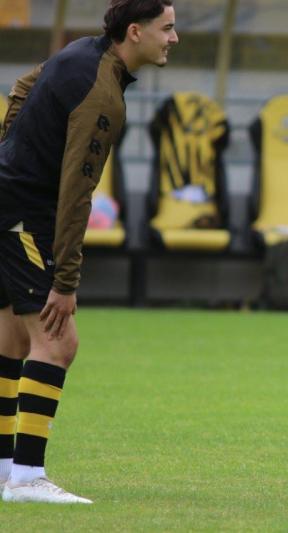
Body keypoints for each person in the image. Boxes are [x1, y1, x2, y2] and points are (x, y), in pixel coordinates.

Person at [0, 0, 178, 504]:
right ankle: (27, 479)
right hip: (25, 214)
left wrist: (9, 153)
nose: (174, 38)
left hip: (8, 201)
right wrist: (66, 282)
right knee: (57, 342)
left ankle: (6, 470)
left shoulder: (79, 50)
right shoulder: (102, 95)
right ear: (135, 31)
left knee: (12, 339)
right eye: (167, 28)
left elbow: (23, 86)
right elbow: (78, 193)